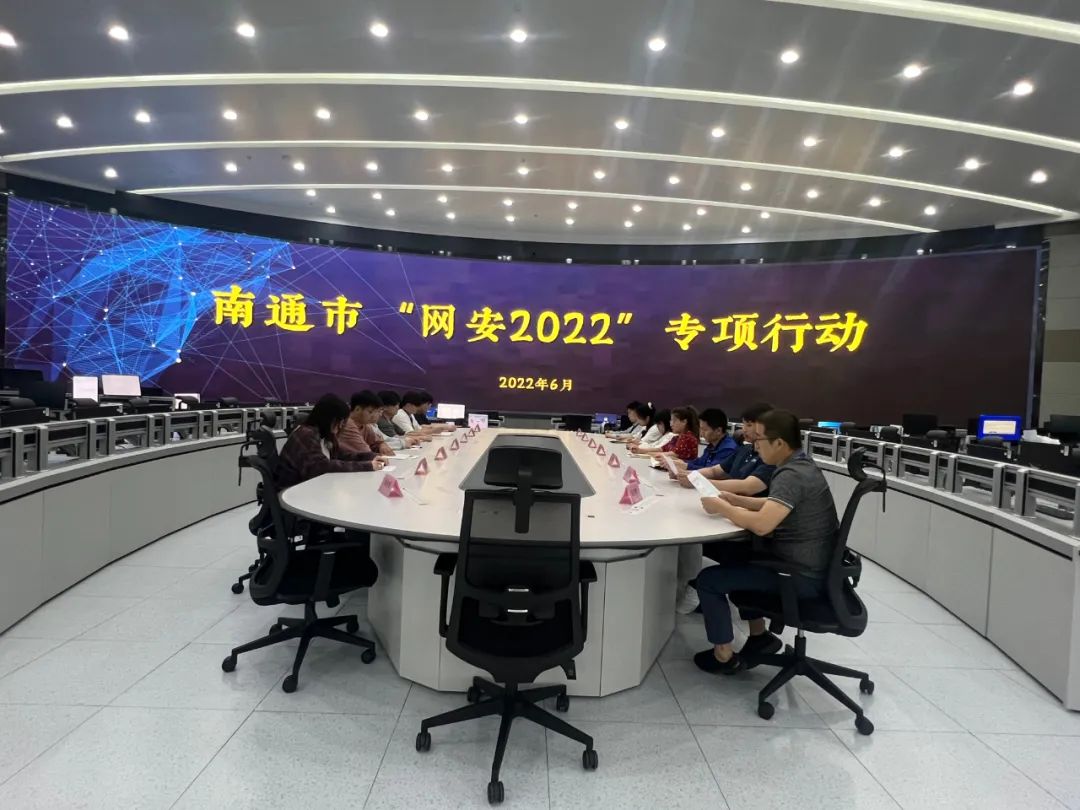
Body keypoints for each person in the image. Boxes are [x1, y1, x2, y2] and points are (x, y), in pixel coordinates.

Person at [692, 409, 840, 674]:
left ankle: (723, 656)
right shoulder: (800, 464)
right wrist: (736, 500)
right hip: (807, 566)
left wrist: (722, 507)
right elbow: (773, 505)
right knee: (734, 557)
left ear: (779, 443)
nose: (753, 443)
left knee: (709, 580)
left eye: (759, 438)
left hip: (798, 576)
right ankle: (760, 637)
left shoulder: (791, 475)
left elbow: (762, 524)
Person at [276, 393, 385, 490]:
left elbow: (342, 455)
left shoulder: (325, 435)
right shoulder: (306, 434)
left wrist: (370, 456)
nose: (341, 426)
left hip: (311, 486)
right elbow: (321, 466)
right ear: (328, 419)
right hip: (293, 492)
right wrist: (367, 466)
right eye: (339, 422)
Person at [676, 402, 776, 496]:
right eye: (743, 424)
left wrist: (698, 481)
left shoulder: (771, 458)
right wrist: (689, 475)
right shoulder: (744, 449)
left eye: (749, 425)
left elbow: (747, 486)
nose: (744, 429)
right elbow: (714, 471)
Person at [631, 405, 700, 461]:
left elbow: (673, 454)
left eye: (674, 421)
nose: (671, 424)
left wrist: (647, 453)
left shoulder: (687, 437)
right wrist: (641, 450)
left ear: (684, 422)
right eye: (671, 420)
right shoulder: (676, 437)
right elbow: (661, 449)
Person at [338, 390, 395, 457]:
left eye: (375, 412)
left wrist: (381, 445)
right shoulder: (347, 424)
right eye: (370, 412)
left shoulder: (365, 426)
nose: (373, 416)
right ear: (357, 409)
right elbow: (365, 452)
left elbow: (377, 442)